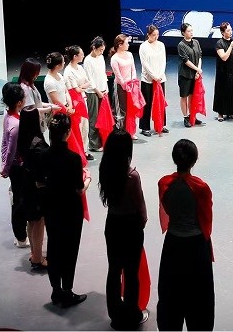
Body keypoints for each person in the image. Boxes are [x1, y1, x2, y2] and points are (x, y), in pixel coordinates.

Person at [157, 139, 214, 331]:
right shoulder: (201, 188)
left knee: (171, 294)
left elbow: (167, 209)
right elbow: (206, 219)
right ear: (194, 160)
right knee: (199, 298)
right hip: (196, 247)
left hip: (173, 244)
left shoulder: (165, 184)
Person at [99, 130, 149, 329]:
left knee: (114, 269)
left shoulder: (105, 170)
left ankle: (115, 313)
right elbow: (140, 204)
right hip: (131, 226)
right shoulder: (132, 176)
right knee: (131, 272)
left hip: (113, 224)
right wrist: (142, 221)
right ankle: (132, 312)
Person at [41, 113, 91, 308]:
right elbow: (79, 189)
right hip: (70, 209)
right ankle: (67, 290)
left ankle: (56, 290)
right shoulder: (73, 159)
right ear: (68, 132)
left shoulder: (44, 155)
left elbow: (39, 182)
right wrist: (88, 180)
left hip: (51, 207)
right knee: (70, 250)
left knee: (54, 247)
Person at [17, 106, 49, 271]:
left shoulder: (23, 138)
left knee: (31, 220)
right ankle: (37, 258)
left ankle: (34, 253)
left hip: (26, 183)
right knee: (38, 221)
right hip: (37, 187)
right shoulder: (37, 144)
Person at [0, 82, 29, 249]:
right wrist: (6, 168)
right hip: (18, 167)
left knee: (18, 199)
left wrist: (4, 164)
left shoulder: (7, 115)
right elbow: (11, 150)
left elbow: (4, 144)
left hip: (14, 166)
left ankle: (21, 234)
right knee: (19, 202)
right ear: (19, 102)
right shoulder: (16, 125)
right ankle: (21, 236)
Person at [64, 44, 99, 160]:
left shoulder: (80, 68)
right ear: (75, 56)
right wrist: (82, 87)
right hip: (75, 102)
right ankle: (77, 152)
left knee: (85, 126)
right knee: (77, 127)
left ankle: (84, 150)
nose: (83, 56)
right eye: (81, 54)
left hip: (82, 99)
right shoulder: (68, 71)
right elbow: (76, 90)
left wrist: (81, 87)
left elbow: (88, 82)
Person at [139, 25, 169, 137]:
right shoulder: (143, 46)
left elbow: (163, 61)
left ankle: (161, 124)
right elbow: (145, 64)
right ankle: (145, 127)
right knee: (147, 103)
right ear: (148, 35)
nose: (156, 37)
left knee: (160, 102)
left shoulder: (161, 45)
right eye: (153, 35)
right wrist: (154, 76)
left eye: (157, 35)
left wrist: (159, 74)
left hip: (160, 78)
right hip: (148, 79)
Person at [110, 34, 142, 139]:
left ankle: (131, 132)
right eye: (127, 43)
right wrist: (125, 86)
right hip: (121, 86)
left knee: (131, 109)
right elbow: (118, 75)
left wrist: (133, 82)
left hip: (131, 85)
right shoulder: (115, 59)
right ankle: (121, 133)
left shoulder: (129, 54)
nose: (128, 45)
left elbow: (133, 69)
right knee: (121, 110)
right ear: (120, 45)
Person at [17, 57, 61, 133]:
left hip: (37, 121)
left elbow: (37, 103)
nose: (38, 74)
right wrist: (50, 108)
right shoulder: (25, 88)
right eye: (37, 72)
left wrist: (50, 105)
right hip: (31, 124)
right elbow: (31, 111)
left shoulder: (31, 84)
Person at [213, 22, 233, 122]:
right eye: (228, 30)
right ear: (223, 32)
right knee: (222, 92)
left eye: (231, 30)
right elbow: (224, 57)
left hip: (232, 71)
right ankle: (220, 113)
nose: (230, 32)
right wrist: (231, 47)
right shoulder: (219, 43)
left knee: (232, 91)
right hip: (223, 72)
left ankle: (231, 111)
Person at [82, 37, 109, 151]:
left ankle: (102, 141)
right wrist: (97, 91)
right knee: (94, 118)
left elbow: (103, 74)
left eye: (103, 50)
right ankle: (93, 144)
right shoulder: (88, 60)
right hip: (93, 92)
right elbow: (89, 78)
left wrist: (106, 88)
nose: (102, 52)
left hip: (102, 90)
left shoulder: (101, 57)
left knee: (103, 117)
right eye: (100, 50)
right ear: (94, 48)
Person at [177, 23, 205, 128]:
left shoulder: (196, 42)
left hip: (195, 74)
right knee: (184, 96)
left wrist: (198, 70)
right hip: (185, 75)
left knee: (192, 96)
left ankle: (192, 115)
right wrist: (197, 69)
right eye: (189, 31)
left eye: (192, 30)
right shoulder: (181, 45)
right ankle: (185, 117)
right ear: (183, 33)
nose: (191, 33)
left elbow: (200, 56)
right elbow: (186, 61)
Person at [43, 52, 75, 118]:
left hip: (66, 107)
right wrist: (67, 110)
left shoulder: (59, 75)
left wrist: (70, 105)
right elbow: (56, 102)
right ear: (57, 65)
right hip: (57, 112)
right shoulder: (49, 81)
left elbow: (66, 92)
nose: (64, 63)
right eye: (63, 62)